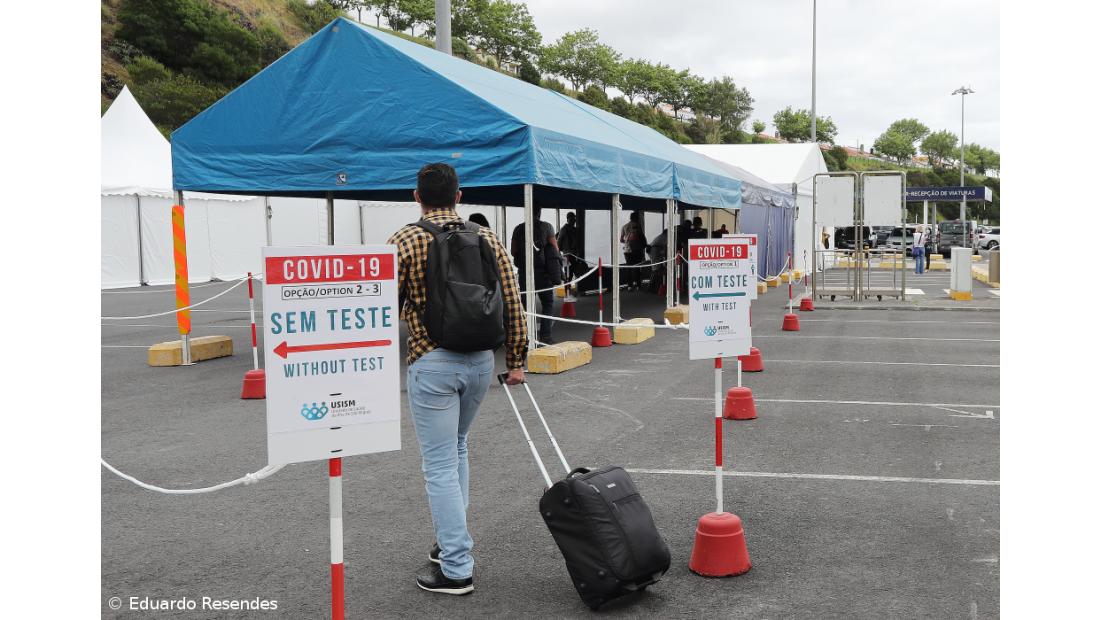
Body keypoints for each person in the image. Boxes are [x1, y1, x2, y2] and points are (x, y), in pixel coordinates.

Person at [388, 163, 528, 595]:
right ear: (459, 196)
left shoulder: (404, 240)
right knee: (459, 447)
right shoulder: (486, 237)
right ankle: (451, 543)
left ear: (416, 197)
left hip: (432, 361)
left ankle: (456, 567)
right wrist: (517, 359)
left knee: (440, 465)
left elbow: (383, 306)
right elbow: (511, 298)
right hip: (481, 361)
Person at [511, 203, 563, 344]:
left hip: (524, 273)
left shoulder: (518, 229)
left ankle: (525, 337)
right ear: (539, 212)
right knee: (547, 303)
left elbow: (513, 251)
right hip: (543, 272)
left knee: (526, 306)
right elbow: (555, 248)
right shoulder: (547, 227)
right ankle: (545, 336)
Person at [620, 211, 647, 289]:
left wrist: (627, 241)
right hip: (636, 250)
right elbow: (641, 236)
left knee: (629, 268)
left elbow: (621, 240)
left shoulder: (624, 226)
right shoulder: (637, 225)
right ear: (636, 218)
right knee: (637, 267)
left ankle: (629, 286)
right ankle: (638, 285)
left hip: (627, 250)